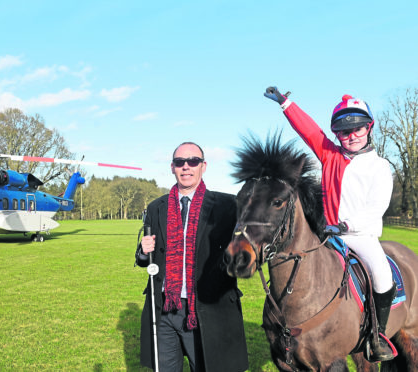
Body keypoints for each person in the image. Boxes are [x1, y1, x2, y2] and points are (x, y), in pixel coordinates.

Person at [264, 87, 396, 362]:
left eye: (358, 129)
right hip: (326, 233)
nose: (351, 136)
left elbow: (377, 207)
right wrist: (286, 103)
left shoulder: (380, 166)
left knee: (383, 276)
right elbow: (309, 131)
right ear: (336, 135)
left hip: (361, 235)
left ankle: (377, 336)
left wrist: (347, 226)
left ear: (369, 127)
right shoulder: (330, 156)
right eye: (344, 132)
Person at [135, 142, 248, 372]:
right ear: (172, 167)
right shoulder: (156, 207)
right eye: (180, 162)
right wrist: (142, 251)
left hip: (205, 310)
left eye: (193, 161)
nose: (186, 167)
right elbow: (147, 260)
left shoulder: (228, 205)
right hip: (165, 308)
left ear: (203, 166)